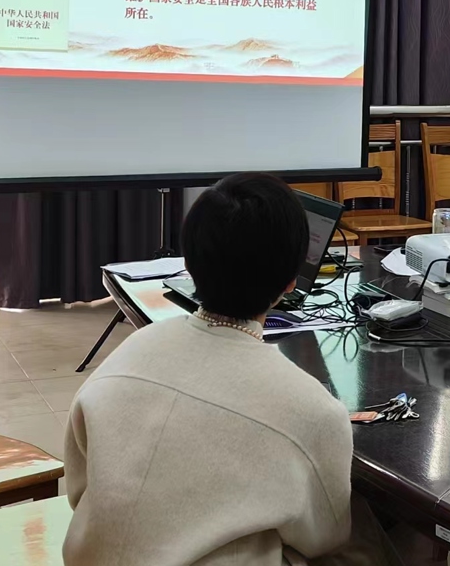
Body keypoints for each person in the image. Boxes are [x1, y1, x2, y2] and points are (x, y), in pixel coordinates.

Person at [64, 173, 354, 565]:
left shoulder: (129, 353)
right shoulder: (313, 409)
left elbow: (79, 491)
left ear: (187, 264)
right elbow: (325, 538)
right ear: (290, 282)